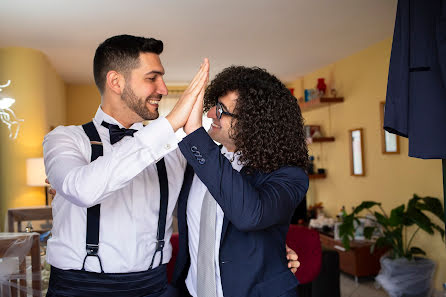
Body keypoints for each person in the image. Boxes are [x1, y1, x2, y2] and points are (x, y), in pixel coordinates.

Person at [43, 35, 299, 296]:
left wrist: (270, 246)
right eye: (152, 78)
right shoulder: (65, 139)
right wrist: (171, 122)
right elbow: (83, 189)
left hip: (154, 286)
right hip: (78, 286)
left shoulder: (176, 153)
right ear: (116, 82)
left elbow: (224, 194)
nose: (163, 89)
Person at [172, 66, 309, 297]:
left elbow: (250, 215)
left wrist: (195, 132)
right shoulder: (198, 162)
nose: (210, 115)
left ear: (254, 122)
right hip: (191, 290)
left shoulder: (289, 175)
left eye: (221, 110)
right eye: (214, 106)